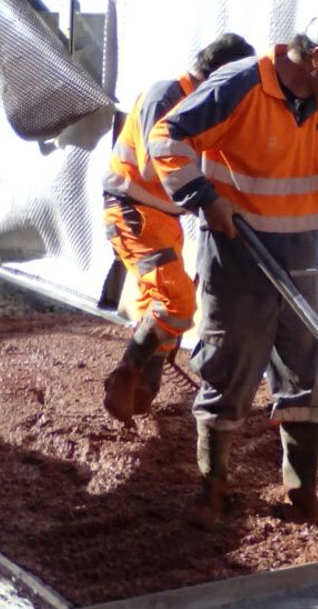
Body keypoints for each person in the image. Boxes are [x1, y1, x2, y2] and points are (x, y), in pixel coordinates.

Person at [148, 13, 318, 519]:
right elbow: (167, 139)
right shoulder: (240, 85)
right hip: (237, 256)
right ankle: (212, 492)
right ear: (317, 59)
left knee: (303, 371)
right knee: (228, 368)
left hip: (299, 259)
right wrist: (205, 197)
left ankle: (303, 494)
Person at [101, 33, 255, 424]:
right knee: (176, 301)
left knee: (168, 304)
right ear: (224, 75)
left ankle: (144, 384)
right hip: (133, 210)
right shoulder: (167, 95)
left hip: (160, 216)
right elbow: (159, 166)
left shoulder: (199, 103)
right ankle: (126, 373)